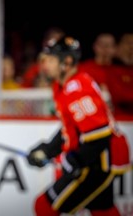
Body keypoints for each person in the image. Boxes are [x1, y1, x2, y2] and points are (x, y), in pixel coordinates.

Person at [26, 36, 131, 216]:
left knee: (44, 207)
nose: (45, 65)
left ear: (66, 62)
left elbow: (99, 135)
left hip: (95, 165)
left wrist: (74, 161)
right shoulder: (65, 85)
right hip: (96, 160)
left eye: (51, 60)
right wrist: (48, 150)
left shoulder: (77, 89)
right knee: (103, 211)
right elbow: (72, 128)